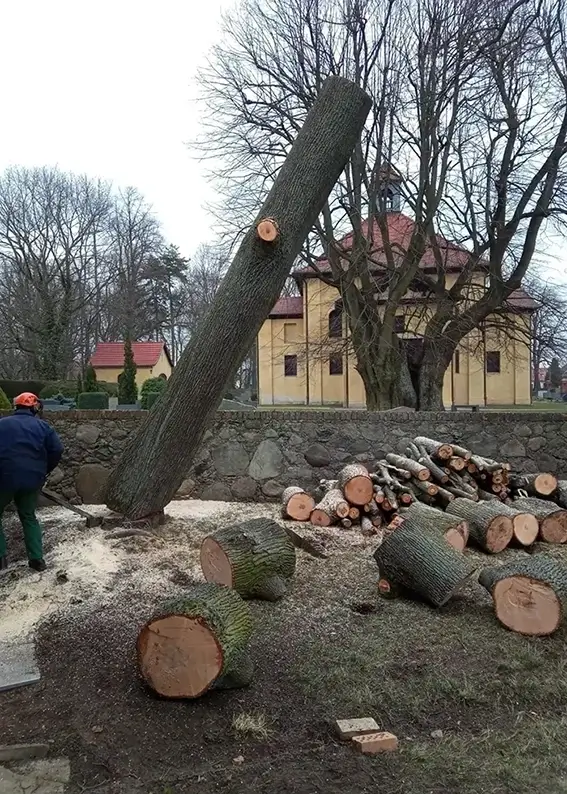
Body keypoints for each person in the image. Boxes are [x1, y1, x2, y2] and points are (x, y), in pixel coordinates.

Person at [0, 392, 63, 572]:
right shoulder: (43, 427)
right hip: (32, 479)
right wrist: (44, 469)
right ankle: (37, 559)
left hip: (4, 477)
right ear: (34, 407)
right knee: (28, 516)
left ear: (16, 407)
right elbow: (57, 449)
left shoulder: (2, 424)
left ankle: (1, 559)